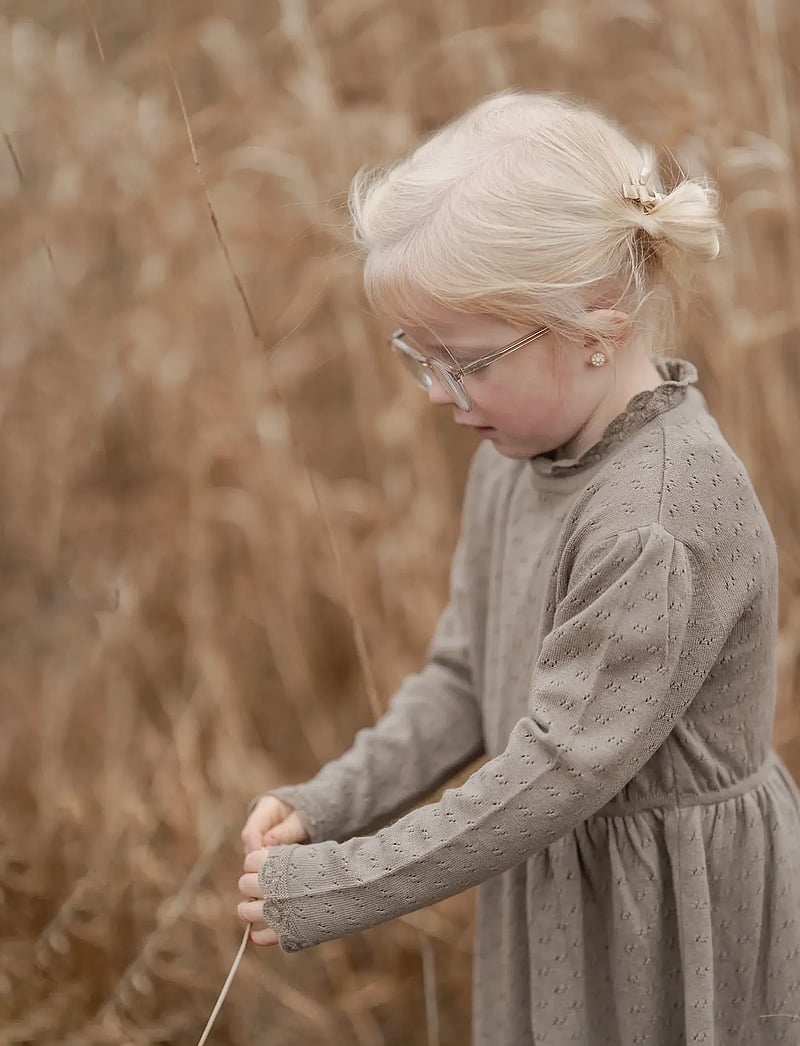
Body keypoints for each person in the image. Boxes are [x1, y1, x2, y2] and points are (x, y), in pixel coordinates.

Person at [237, 91, 800, 1045]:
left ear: (595, 323)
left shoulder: (655, 519)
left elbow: (557, 769)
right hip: (551, 872)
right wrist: (330, 803)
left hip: (664, 907)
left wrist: (346, 882)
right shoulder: (515, 456)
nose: (435, 394)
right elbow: (463, 678)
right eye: (416, 355)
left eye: (462, 359)